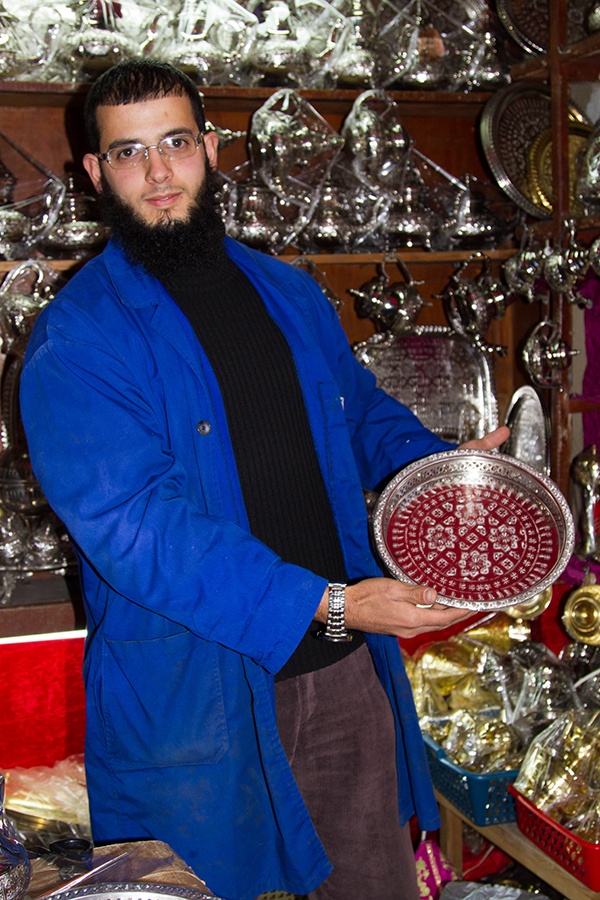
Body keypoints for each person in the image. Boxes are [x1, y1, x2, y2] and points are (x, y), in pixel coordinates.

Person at [20, 59, 509, 900]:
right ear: (95, 174)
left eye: (176, 142)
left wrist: (442, 472)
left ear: (211, 148)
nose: (159, 172)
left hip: (343, 670)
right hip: (196, 696)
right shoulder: (76, 340)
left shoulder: (285, 290)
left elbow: (355, 415)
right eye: (129, 154)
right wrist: (332, 603)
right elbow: (142, 533)